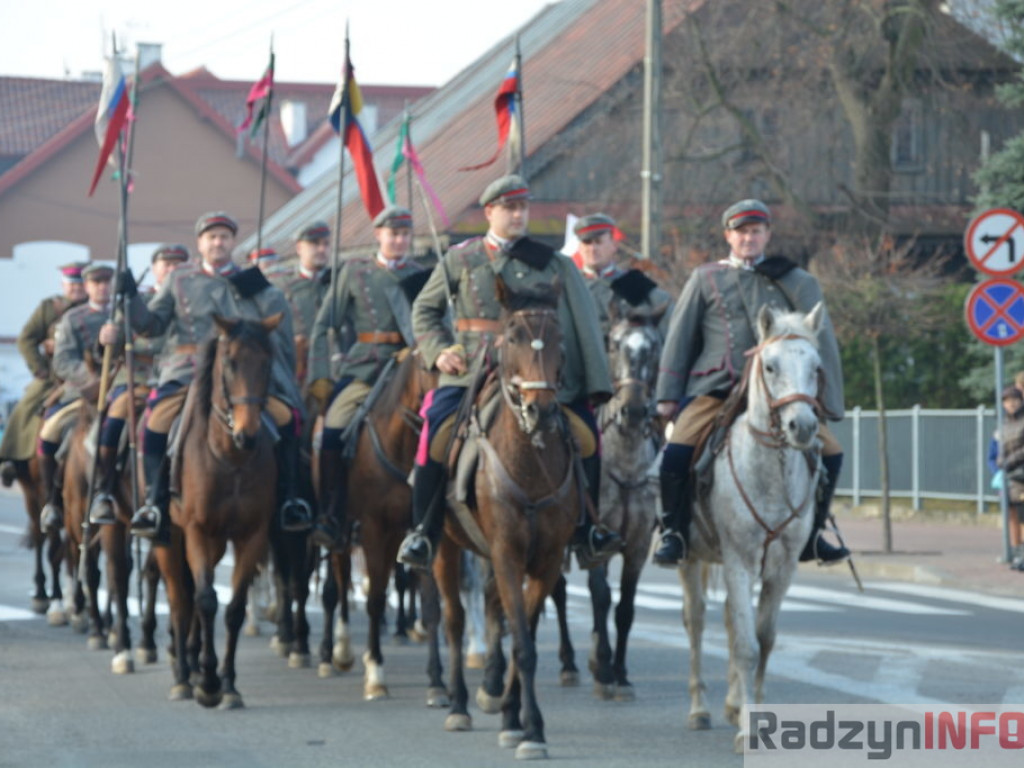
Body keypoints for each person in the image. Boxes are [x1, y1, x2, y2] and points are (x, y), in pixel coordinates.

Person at [396, 174, 622, 570]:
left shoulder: (553, 263)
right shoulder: (461, 259)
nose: (518, 215)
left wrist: (591, 381)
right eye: (510, 208)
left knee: (587, 435)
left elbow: (584, 323)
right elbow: (425, 310)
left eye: (523, 208)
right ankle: (423, 531)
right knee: (435, 431)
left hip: (536, 373)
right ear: (490, 212)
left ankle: (587, 528)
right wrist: (438, 351)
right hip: (471, 369)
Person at [653, 199, 848, 567]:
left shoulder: (795, 280)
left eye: (756, 231)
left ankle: (813, 534)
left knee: (832, 453)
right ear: (728, 236)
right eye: (741, 232)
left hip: (781, 392)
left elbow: (820, 342)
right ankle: (674, 533)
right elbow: (680, 339)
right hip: (716, 387)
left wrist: (828, 401)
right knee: (676, 453)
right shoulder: (705, 278)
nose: (748, 238)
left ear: (767, 235)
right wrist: (668, 395)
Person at [110, 211, 308, 544]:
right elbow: (151, 325)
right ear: (200, 243)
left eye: (224, 237)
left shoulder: (250, 280)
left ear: (233, 243)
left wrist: (266, 294)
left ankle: (289, 499)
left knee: (288, 420)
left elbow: (272, 324)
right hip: (185, 370)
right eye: (212, 237)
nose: (218, 243)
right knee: (155, 423)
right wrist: (130, 299)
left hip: (236, 375)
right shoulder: (179, 279)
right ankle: (154, 503)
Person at [306, 206, 428, 549]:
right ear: (379, 235)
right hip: (364, 368)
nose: (400, 240)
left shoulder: (420, 275)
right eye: (393, 234)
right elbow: (323, 327)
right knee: (333, 428)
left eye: (405, 234)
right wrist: (320, 376)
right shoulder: (355, 272)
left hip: (410, 370)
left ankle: (440, 512)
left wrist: (418, 352)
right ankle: (331, 513)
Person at [87, 245, 189, 525]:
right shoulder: (136, 301)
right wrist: (106, 340)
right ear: (155, 269)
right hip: (139, 380)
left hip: (182, 376)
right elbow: (113, 348)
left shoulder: (191, 301)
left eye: (178, 264)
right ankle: (105, 491)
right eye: (166, 264)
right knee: (114, 422)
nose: (172, 269)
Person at [38, 262, 115, 531]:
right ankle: (52, 502)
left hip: (119, 388)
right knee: (49, 431)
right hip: (82, 392)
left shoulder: (124, 315)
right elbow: (62, 361)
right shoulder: (73, 318)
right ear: (87, 286)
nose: (102, 287)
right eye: (96, 283)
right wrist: (90, 377)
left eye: (107, 282)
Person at [0, 262, 87, 488]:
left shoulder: (97, 308)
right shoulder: (50, 308)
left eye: (81, 284)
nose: (77, 288)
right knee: (26, 407)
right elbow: (26, 339)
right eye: (72, 284)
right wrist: (40, 369)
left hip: (89, 376)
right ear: (63, 285)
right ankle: (12, 458)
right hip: (53, 377)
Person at [573, 212, 673, 339]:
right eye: (587, 242)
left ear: (614, 245)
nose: (593, 249)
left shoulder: (634, 283)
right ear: (579, 247)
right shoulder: (570, 285)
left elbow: (666, 314)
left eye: (598, 242)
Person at [272, 221, 332, 388]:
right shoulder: (279, 285)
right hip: (294, 369)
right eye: (314, 244)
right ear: (299, 248)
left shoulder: (339, 280)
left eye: (326, 244)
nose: (322, 249)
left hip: (333, 366)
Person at [996, 385, 1024, 571]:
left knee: (1023, 517)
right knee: (1012, 516)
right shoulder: (1004, 424)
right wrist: (1000, 460)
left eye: (1014, 400)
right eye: (1007, 401)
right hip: (1010, 477)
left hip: (1022, 475)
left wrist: (1010, 460)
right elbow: (1000, 447)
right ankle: (1017, 554)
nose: (1011, 404)